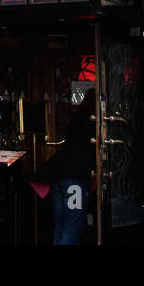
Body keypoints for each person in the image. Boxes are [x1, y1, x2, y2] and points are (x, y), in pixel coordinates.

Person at [34, 87, 96, 245]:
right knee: (72, 228)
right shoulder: (94, 120)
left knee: (61, 226)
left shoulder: (77, 117)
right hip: (75, 178)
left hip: (58, 176)